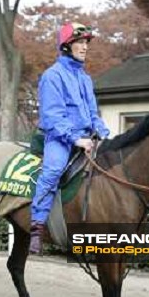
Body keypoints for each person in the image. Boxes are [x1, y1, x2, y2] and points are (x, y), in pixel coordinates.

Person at [29, 22, 111, 255]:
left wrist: (103, 133)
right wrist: (76, 140)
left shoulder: (85, 78)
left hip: (87, 136)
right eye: (80, 42)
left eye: (86, 42)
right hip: (60, 138)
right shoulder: (52, 76)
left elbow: (93, 114)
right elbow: (52, 116)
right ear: (66, 46)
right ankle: (37, 227)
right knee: (53, 170)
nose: (85, 47)